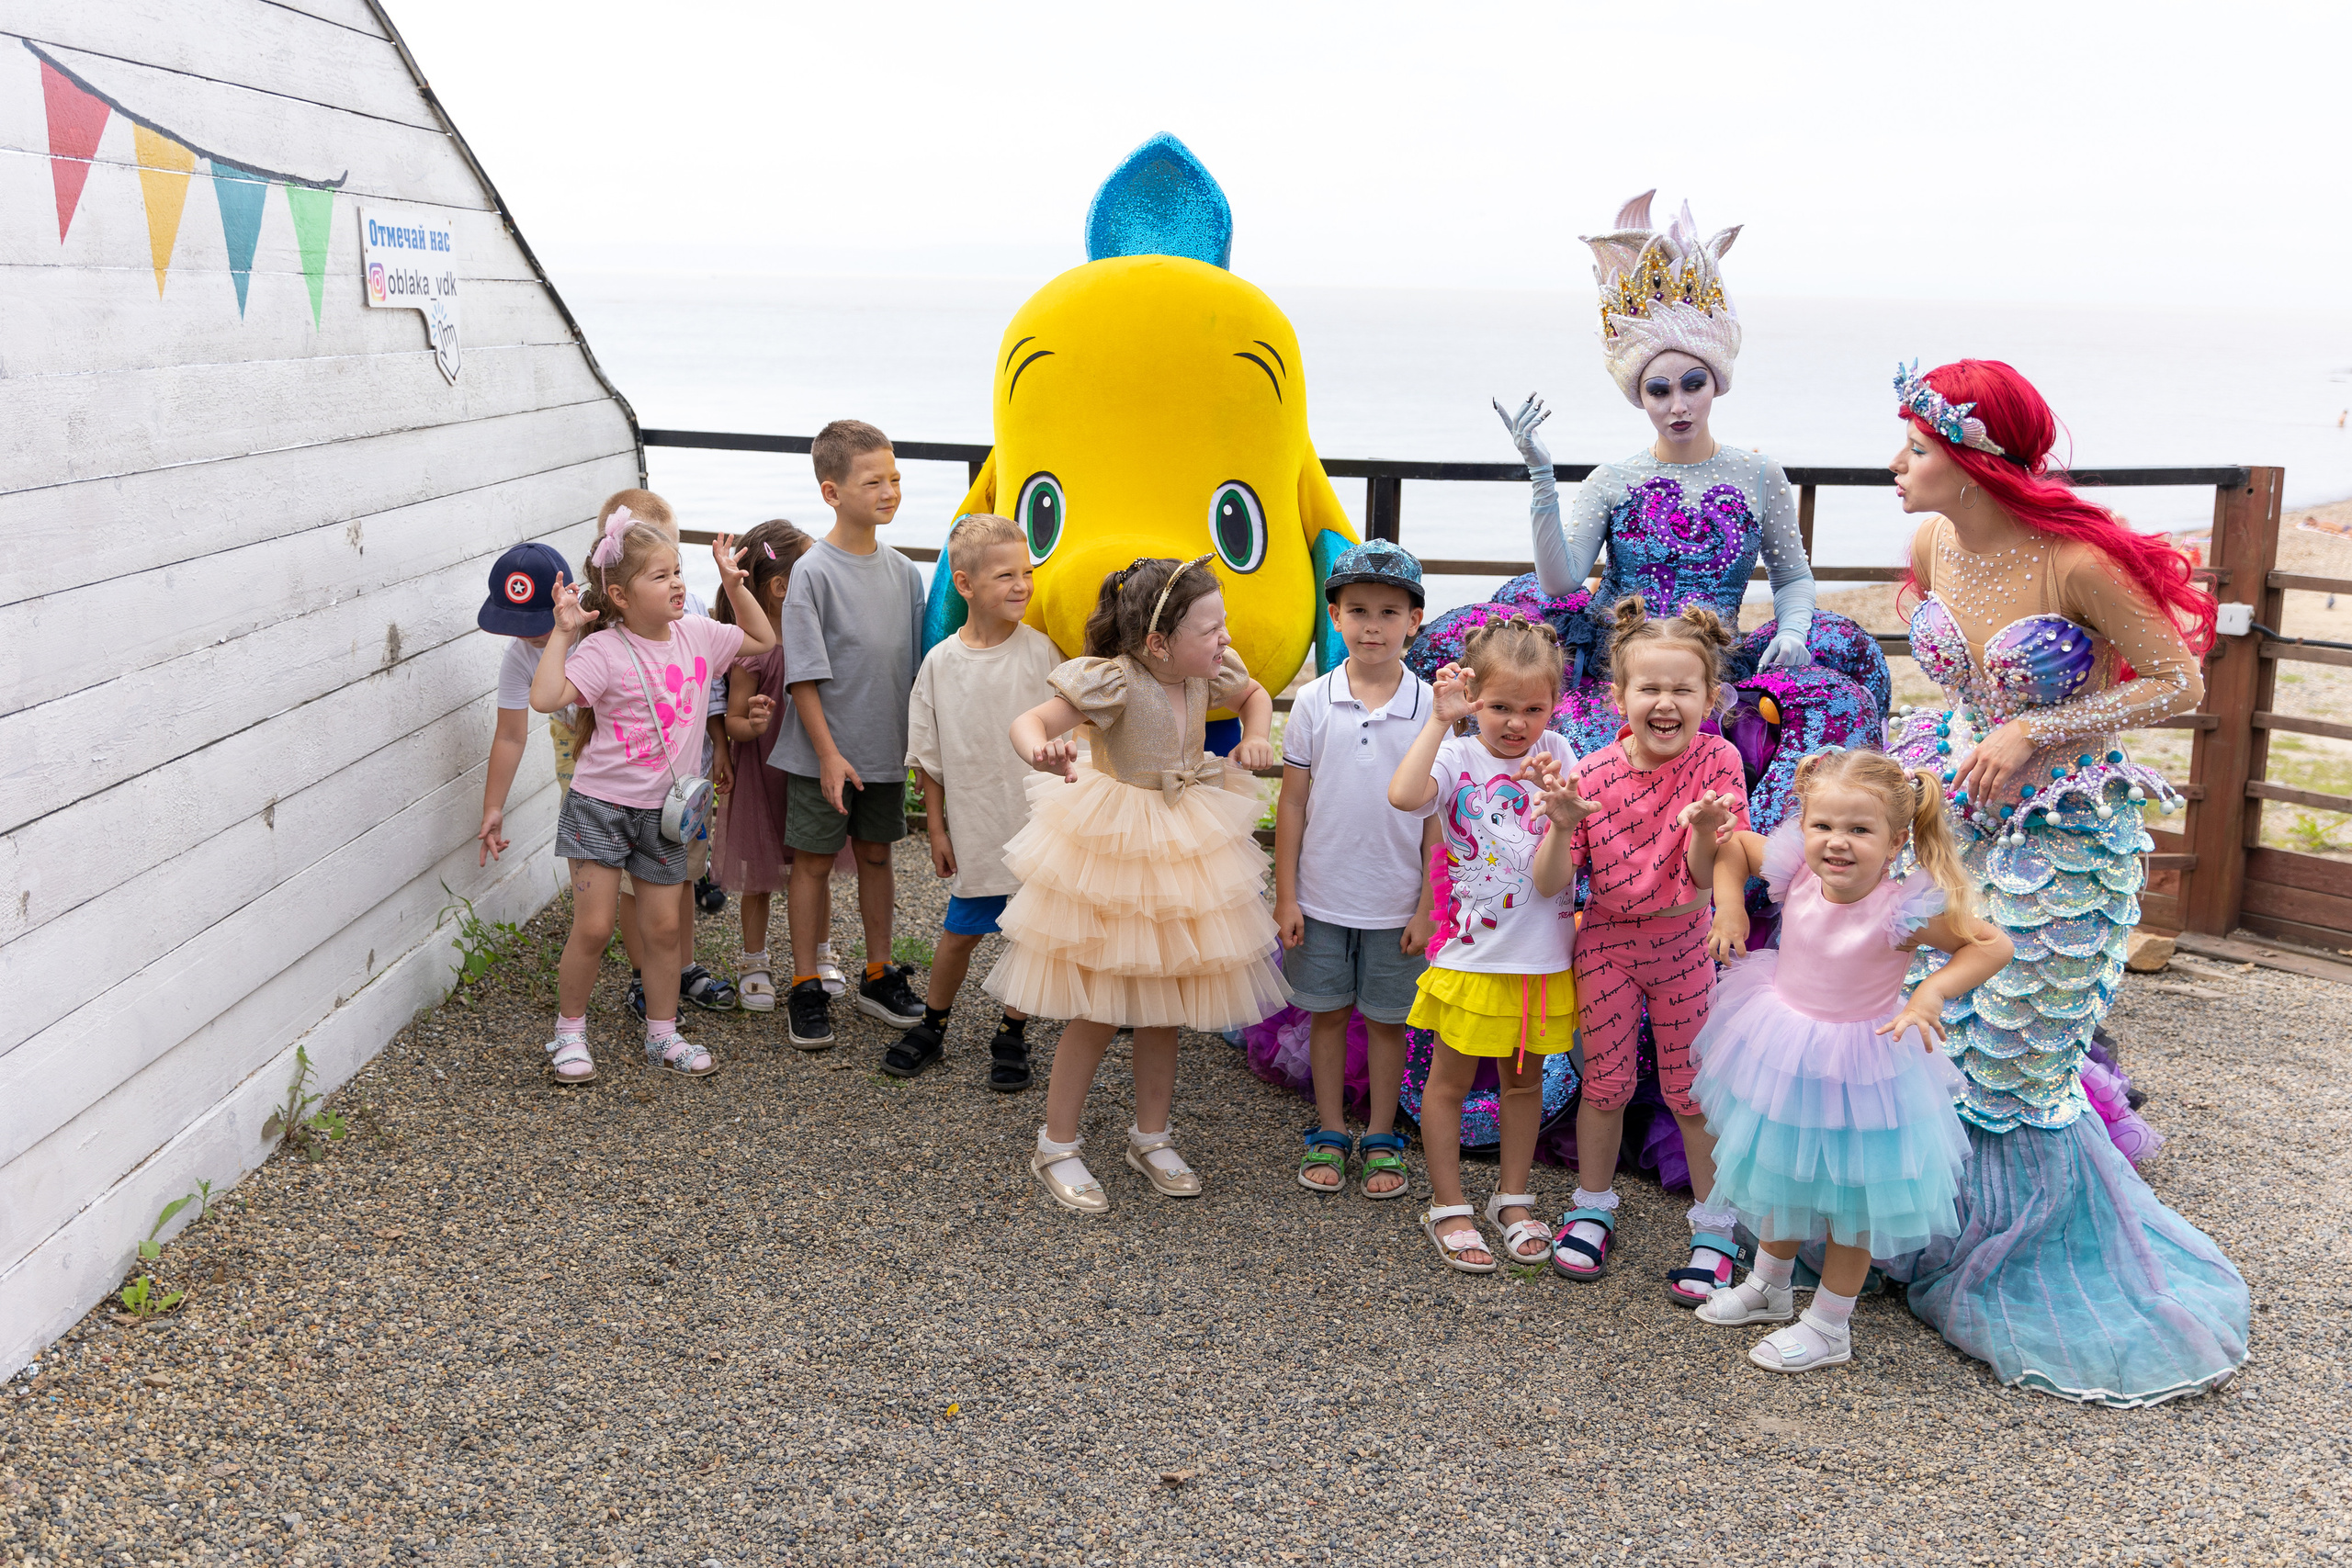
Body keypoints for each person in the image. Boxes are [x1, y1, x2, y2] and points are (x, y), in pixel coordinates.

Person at [1880, 357, 2248, 1405]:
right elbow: (1957, 674)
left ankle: (2028, 1262)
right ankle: (1931, 1237)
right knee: (1940, 1029)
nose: (1893, 466)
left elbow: (2177, 678)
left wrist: (2038, 725)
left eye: (1911, 448)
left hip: (2064, 836)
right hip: (1957, 817)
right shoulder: (1929, 541)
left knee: (2019, 1050)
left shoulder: (2077, 563)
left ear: (1967, 459)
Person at [1481, 191, 1885, 753]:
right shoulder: (1611, 479)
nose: (1678, 405)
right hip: (1621, 673)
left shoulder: (1760, 474)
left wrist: (1792, 631)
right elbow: (1560, 583)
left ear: (1716, 382)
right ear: (1638, 396)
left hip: (1715, 668)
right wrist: (1542, 478)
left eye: (1692, 384)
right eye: (1659, 389)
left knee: (1828, 702)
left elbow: (1791, 576)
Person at [1680, 750, 2007, 1373]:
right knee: (1779, 1165)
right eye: (1824, 825)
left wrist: (1932, 992)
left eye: (1859, 830)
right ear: (1803, 825)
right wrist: (1729, 906)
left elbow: (1993, 944)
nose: (1837, 842)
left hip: (1863, 1069)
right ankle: (1771, 1284)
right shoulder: (1798, 871)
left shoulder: (1900, 912)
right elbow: (1733, 850)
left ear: (1894, 841)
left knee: (1851, 1200)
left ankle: (1831, 1323)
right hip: (1784, 1044)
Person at [990, 555, 1287, 1213]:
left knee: (1167, 1005)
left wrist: (1259, 733)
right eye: (1211, 629)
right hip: (1119, 844)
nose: (1226, 640)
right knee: (1097, 1006)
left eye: (1224, 625)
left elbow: (1255, 695)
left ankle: (1150, 1134)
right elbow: (1030, 722)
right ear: (1159, 642)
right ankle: (1057, 1143)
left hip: (1185, 839)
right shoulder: (1117, 681)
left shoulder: (1207, 670)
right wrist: (1041, 748)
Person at [1553, 599, 1752, 1300]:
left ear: (1711, 697)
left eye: (1682, 689)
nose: (1665, 702)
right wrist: (1557, 826)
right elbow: (1559, 879)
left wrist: (1702, 828)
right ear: (1619, 696)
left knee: (1690, 1092)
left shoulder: (1720, 759)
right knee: (1605, 1082)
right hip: (1606, 940)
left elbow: (1708, 873)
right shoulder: (1594, 775)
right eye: (1649, 688)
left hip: (1683, 941)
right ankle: (1591, 1203)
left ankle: (1716, 1227)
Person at [530, 513, 773, 1081]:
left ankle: (663, 1033)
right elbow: (545, 698)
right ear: (619, 594)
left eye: (678, 572)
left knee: (663, 929)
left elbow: (763, 639)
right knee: (593, 928)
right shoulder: (604, 650)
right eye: (660, 576)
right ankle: (569, 1034)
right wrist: (564, 632)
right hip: (600, 808)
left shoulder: (699, 635)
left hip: (666, 814)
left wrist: (734, 588)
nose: (677, 584)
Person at [1386, 615, 1581, 1270]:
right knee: (1448, 1084)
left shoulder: (1560, 755)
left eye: (1533, 707)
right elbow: (1404, 795)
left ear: (1554, 704)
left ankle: (1513, 1197)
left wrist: (1561, 820)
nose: (1517, 722)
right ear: (1475, 701)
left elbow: (1554, 877)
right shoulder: (1457, 755)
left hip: (1542, 961)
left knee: (1523, 1085)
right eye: (1500, 706)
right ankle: (1448, 1204)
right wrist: (1440, 721)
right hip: (1473, 959)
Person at [1274, 541, 1439, 1199]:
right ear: (1334, 615)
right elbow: (1291, 801)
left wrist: (1429, 905)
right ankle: (1330, 1128)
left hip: (1398, 902)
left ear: (1414, 621)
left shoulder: (1432, 708)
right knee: (1327, 1015)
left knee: (1387, 1020)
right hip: (1321, 897)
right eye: (1359, 611)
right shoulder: (1314, 701)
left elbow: (1437, 819)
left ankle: (1380, 1132)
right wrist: (1286, 895)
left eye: (1390, 612)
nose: (1374, 626)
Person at [771, 421, 930, 1049]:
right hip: (821, 754)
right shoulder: (813, 573)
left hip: (885, 747)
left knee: (877, 855)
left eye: (895, 478)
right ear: (832, 492)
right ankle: (806, 982)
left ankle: (876, 972)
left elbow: (914, 668)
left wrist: (917, 749)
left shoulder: (906, 573)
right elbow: (803, 676)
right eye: (874, 481)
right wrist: (830, 754)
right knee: (812, 863)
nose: (889, 490)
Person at [890, 513, 1059, 1087]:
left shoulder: (1043, 654)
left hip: (1037, 824)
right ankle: (933, 1024)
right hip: (974, 823)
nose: (1022, 585)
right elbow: (928, 757)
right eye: (1005, 575)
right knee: (958, 933)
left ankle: (1012, 1031)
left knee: (1029, 935)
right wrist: (936, 829)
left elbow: (1074, 738)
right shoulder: (941, 663)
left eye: (1027, 572)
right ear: (964, 585)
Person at [593, 490, 741, 1019]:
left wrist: (719, 746)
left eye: (675, 560)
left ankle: (684, 965)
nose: (673, 579)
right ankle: (643, 974)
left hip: (687, 781)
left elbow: (714, 687)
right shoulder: (605, 630)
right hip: (632, 788)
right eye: (657, 567)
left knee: (683, 872)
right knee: (639, 887)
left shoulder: (693, 608)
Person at [712, 519, 816, 1012]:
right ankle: (754, 960)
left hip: (808, 769)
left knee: (810, 866)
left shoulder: (815, 634)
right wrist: (750, 724)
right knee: (758, 875)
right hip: (763, 773)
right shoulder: (750, 651)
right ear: (781, 588)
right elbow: (732, 720)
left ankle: (818, 953)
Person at [476, 540, 576, 869]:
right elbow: (510, 735)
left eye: (535, 622)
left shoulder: (601, 627)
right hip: (572, 738)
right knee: (581, 827)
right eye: (514, 625)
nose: (525, 636)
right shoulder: (520, 656)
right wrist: (494, 806)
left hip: (628, 739)